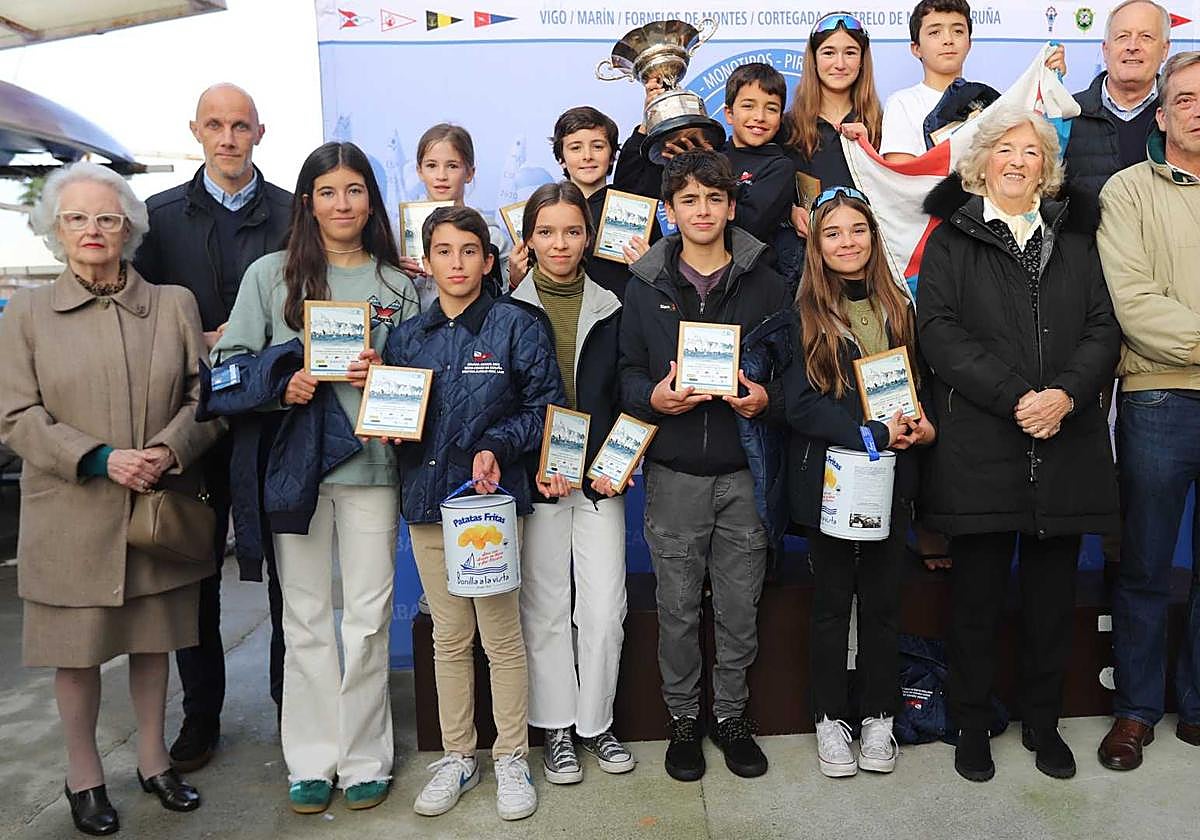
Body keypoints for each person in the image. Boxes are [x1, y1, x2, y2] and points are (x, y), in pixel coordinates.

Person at [0, 162, 224, 835]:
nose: (92, 230)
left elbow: (207, 400)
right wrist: (97, 458)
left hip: (155, 510)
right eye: (76, 218)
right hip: (71, 515)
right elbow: (15, 416)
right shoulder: (29, 313)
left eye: (106, 217)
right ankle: (84, 777)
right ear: (55, 230)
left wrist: (167, 450)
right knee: (77, 656)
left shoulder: (173, 304)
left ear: (128, 227)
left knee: (154, 645)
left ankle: (156, 763)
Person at [212, 141, 419, 814]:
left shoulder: (397, 284)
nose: (342, 204)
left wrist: (381, 379)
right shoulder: (272, 276)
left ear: (371, 199)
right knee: (302, 617)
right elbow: (231, 367)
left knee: (366, 618)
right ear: (307, 201)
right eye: (327, 191)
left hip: (372, 467)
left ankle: (364, 758)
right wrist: (286, 381)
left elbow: (423, 379)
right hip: (292, 467)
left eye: (354, 190)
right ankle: (309, 758)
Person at [918, 105, 1120, 782]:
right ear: (981, 162)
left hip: (1065, 443)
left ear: (1046, 168)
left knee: (1050, 603)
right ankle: (970, 725)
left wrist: (1063, 394)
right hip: (982, 447)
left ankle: (1043, 724)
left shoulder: (1077, 237)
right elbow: (939, 332)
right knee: (974, 604)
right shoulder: (951, 237)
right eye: (1004, 149)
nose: (1016, 160)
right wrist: (1016, 398)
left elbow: (1102, 327)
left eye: (1030, 152)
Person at [383, 206, 564, 821]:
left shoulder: (518, 325)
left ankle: (511, 756)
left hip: (487, 506)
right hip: (425, 504)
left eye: (468, 251)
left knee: (501, 636)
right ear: (426, 261)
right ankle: (459, 756)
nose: (455, 263)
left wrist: (495, 447)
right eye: (443, 251)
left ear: (489, 262)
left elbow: (544, 408)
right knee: (449, 636)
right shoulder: (407, 336)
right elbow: (400, 409)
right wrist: (391, 428)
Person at [133, 82, 292, 772]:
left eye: (240, 126)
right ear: (195, 131)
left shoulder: (294, 214)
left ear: (261, 132)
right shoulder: (157, 218)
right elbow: (131, 316)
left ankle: (298, 712)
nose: (228, 138)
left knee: (294, 574)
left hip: (279, 420)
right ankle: (201, 718)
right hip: (193, 419)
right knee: (196, 573)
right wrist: (196, 339)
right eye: (215, 126)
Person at [619, 150, 791, 782]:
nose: (702, 210)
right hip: (674, 474)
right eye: (688, 200)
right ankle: (684, 720)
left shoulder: (767, 281)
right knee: (678, 609)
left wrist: (766, 396)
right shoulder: (645, 285)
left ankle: (733, 718)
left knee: (740, 607)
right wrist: (653, 399)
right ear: (670, 210)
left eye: (713, 199)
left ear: (731, 206)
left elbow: (786, 364)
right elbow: (627, 375)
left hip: (744, 473)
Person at [785, 186, 935, 778]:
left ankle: (879, 718)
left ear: (874, 239)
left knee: (882, 605)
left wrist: (921, 428)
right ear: (816, 246)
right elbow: (799, 405)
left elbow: (921, 389)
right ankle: (829, 720)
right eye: (833, 233)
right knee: (829, 606)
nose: (847, 242)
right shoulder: (801, 315)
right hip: (832, 482)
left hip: (893, 479)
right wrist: (867, 431)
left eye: (858, 231)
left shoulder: (901, 308)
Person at [509, 182, 634, 785]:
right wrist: (527, 458)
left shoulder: (616, 303)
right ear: (528, 238)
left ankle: (597, 723)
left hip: (599, 481)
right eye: (547, 231)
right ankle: (557, 727)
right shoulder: (506, 307)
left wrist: (620, 457)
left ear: (590, 236)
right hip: (537, 480)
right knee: (548, 606)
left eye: (573, 231)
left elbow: (631, 390)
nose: (560, 243)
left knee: (605, 606)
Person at [1096, 51, 1200, 772]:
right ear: (1161, 116)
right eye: (1186, 98)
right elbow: (1132, 305)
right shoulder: (1128, 190)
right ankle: (1134, 711)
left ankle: (1195, 706)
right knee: (1144, 567)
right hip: (1159, 396)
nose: (1198, 108)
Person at [881, 0, 1066, 163]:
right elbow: (902, 175)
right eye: (935, 32)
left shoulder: (993, 102)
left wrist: (1051, 79)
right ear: (916, 48)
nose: (948, 40)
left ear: (969, 43)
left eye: (958, 31)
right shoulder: (902, 103)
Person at [783, 12, 883, 288]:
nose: (840, 64)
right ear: (813, 60)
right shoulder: (787, 127)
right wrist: (788, 211)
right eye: (829, 52)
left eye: (850, 52)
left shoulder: (882, 125)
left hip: (873, 270)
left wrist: (871, 155)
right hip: (807, 272)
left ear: (863, 61)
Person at [509, 106, 647, 299]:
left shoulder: (637, 212)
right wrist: (516, 281)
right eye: (575, 148)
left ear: (612, 155)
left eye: (598, 146)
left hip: (620, 318)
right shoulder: (540, 211)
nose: (587, 156)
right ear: (561, 159)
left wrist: (648, 268)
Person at [1063, 1, 1172, 200]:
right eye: (1122, 37)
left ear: (1165, 50)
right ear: (1106, 49)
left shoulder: (1181, 119)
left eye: (1146, 37)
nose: (1132, 46)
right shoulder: (1067, 115)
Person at [399, 123, 508, 306]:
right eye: (431, 165)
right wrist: (393, 274)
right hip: (416, 329)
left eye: (452, 166)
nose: (441, 176)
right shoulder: (398, 234)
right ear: (419, 171)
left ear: (470, 173)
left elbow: (505, 295)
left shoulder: (492, 236)